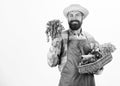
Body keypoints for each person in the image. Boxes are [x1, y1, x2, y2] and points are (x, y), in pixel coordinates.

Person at [47, 4, 106, 86]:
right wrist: (53, 46)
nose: (74, 18)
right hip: (67, 83)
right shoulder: (61, 36)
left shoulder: (90, 38)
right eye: (71, 15)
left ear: (82, 18)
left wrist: (98, 66)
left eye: (77, 15)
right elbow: (51, 63)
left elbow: (99, 70)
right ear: (67, 18)